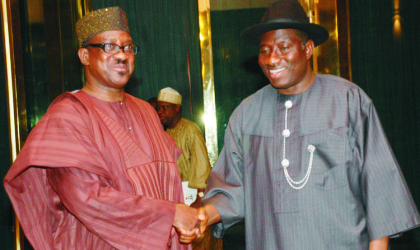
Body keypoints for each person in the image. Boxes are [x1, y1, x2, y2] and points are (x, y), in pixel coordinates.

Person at [186, 1, 420, 249]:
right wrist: (205, 216)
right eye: (264, 49)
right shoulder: (247, 113)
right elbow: (232, 188)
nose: (272, 58)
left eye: (283, 47)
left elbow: (378, 189)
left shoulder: (349, 101)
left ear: (308, 49)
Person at [4, 7, 199, 250]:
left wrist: (181, 223)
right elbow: (87, 198)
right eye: (109, 47)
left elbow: (166, 184)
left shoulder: (146, 112)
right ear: (84, 56)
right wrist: (169, 215)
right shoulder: (68, 116)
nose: (122, 55)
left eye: (128, 47)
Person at [157, 87, 221, 250]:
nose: (160, 112)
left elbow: (201, 165)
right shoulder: (165, 132)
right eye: (159, 107)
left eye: (165, 107)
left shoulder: (190, 129)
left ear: (177, 107)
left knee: (198, 242)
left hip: (193, 197)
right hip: (177, 198)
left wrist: (199, 198)